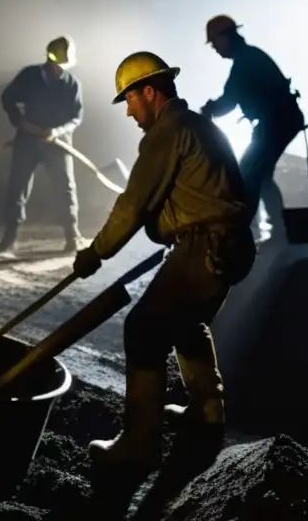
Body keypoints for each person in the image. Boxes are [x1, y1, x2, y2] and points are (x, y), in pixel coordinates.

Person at [71, 51, 256, 478]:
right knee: (184, 321)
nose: (130, 112)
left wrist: (95, 253)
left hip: (203, 246)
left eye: (130, 101)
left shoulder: (166, 132)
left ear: (149, 92)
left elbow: (132, 206)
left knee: (144, 330)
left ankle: (139, 444)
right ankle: (208, 408)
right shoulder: (201, 127)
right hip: (229, 246)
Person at [200, 15, 304, 242]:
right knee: (259, 174)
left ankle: (244, 233)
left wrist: (209, 109)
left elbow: (229, 100)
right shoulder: (248, 58)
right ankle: (276, 228)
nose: (215, 49)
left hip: (278, 120)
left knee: (250, 173)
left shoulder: (246, 62)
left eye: (215, 43)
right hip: (277, 120)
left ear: (225, 36)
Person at [0, 35, 86, 254]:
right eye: (56, 64)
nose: (59, 69)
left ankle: (71, 235)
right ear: (48, 58)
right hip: (27, 141)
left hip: (57, 144)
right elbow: (7, 98)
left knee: (65, 188)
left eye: (63, 65)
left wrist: (56, 132)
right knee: (17, 185)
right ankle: (10, 237)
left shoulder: (72, 84)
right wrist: (20, 121)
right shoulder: (28, 76)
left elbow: (76, 117)